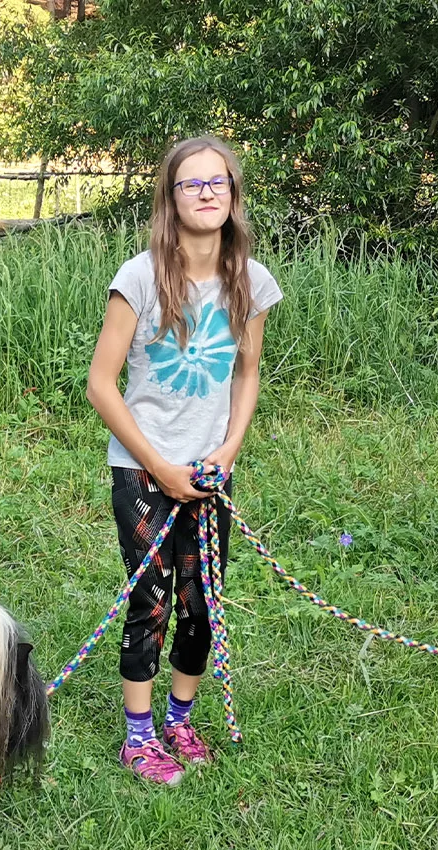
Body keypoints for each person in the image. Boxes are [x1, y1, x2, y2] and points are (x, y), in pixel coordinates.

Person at [84, 135, 283, 785]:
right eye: (191, 184)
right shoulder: (139, 278)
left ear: (233, 193)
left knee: (203, 602)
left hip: (207, 474)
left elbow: (249, 373)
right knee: (152, 600)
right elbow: (101, 384)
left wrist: (229, 448)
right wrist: (159, 466)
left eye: (217, 182)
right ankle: (138, 737)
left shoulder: (248, 282)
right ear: (170, 198)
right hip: (143, 472)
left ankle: (179, 719)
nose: (206, 193)